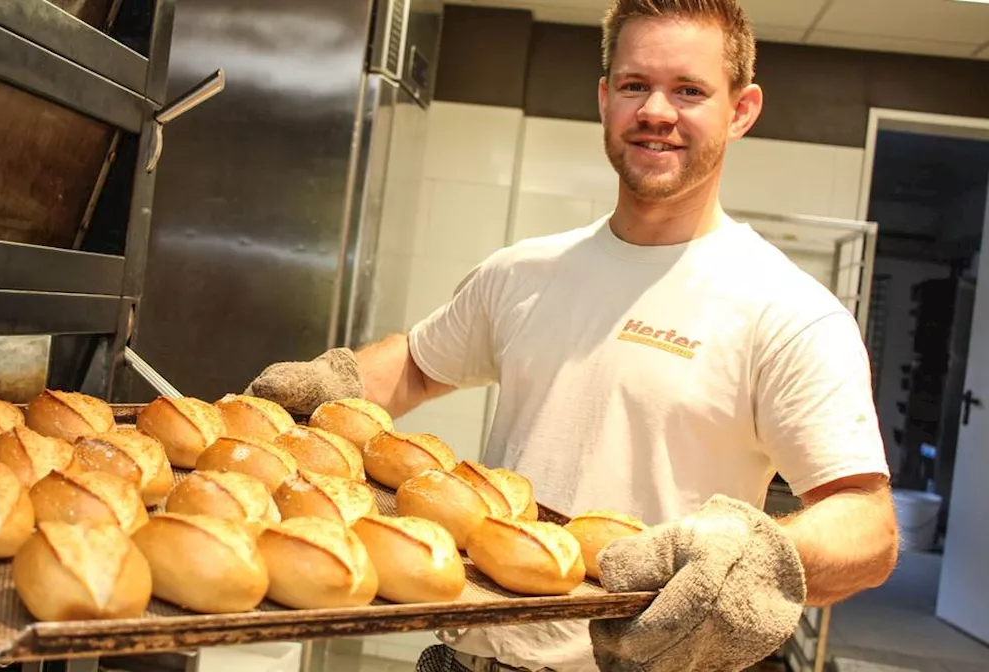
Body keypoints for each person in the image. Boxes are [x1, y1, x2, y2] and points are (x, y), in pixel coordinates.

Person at [245, 0, 899, 670]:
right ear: (604, 97)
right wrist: (341, 383)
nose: (656, 111)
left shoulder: (787, 310)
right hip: (468, 657)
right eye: (635, 84)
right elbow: (416, 365)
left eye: (690, 91)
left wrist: (755, 558)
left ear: (741, 110)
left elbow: (867, 527)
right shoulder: (524, 272)